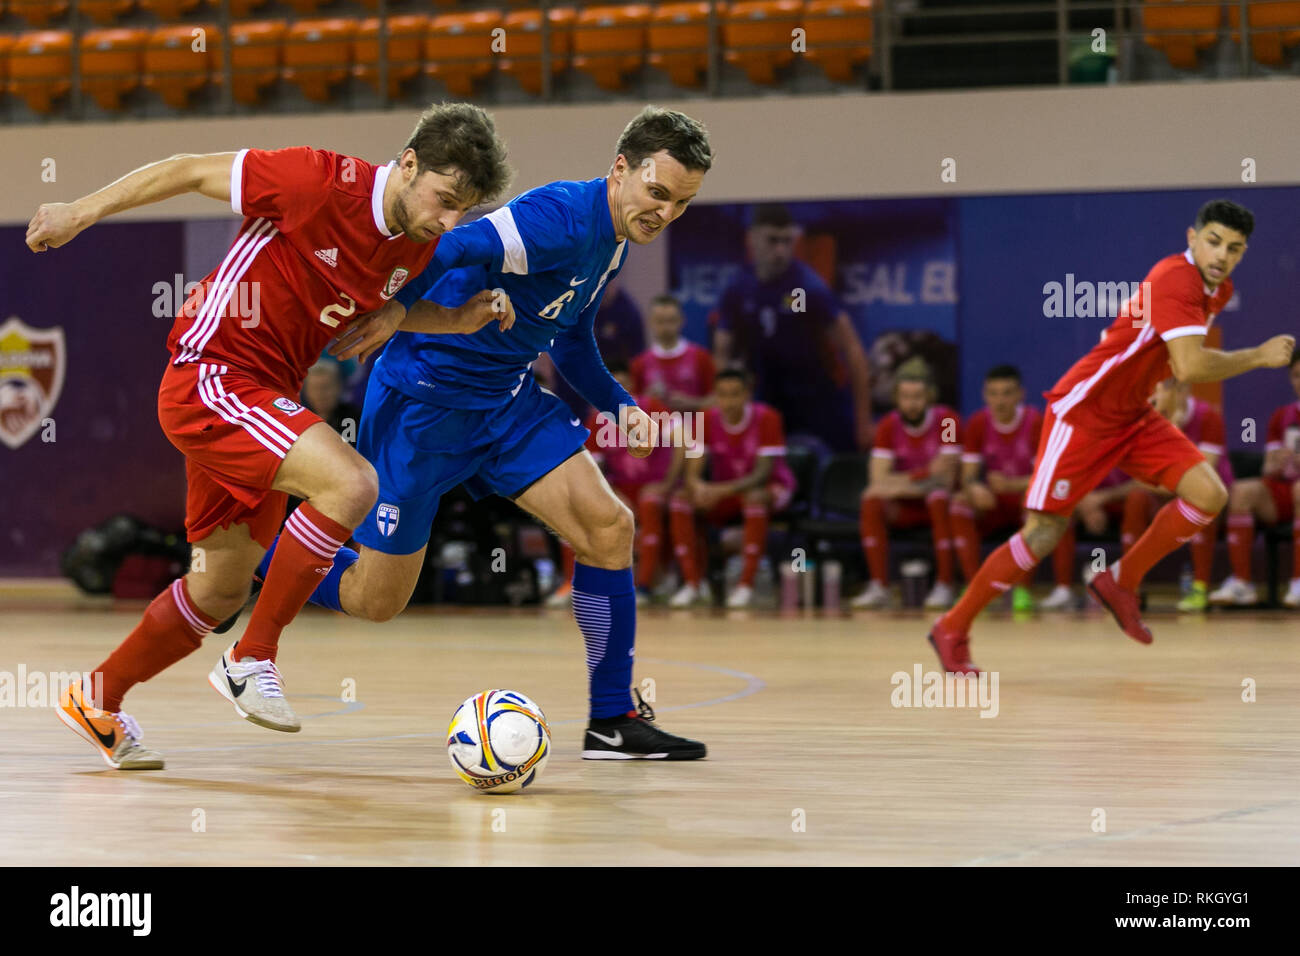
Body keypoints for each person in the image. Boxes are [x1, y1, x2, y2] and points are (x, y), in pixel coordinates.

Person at [30, 103, 512, 768]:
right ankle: (251, 657)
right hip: (211, 375)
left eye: (465, 211)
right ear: (407, 165)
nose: (450, 221)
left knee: (218, 590)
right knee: (352, 483)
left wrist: (450, 320)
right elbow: (184, 169)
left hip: (262, 402)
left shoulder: (417, 244)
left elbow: (376, 306)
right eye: (446, 199)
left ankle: (96, 696)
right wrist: (81, 210)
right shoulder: (315, 181)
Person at [253, 107, 714, 760]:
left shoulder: (611, 239)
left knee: (608, 529)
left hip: (506, 405)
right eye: (658, 193)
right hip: (422, 409)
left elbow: (570, 332)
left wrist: (616, 403)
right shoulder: (559, 217)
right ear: (620, 171)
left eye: (682, 204)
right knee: (376, 601)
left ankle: (612, 720)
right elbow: (452, 245)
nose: (664, 213)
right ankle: (257, 559)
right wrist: (398, 311)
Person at [929, 199, 1294, 674]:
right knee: (1043, 531)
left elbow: (1169, 352)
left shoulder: (1217, 289)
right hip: (1084, 414)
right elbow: (1191, 362)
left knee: (1209, 494)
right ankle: (953, 627)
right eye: (1213, 241)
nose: (1222, 255)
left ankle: (1120, 580)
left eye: (1235, 248)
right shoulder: (1174, 278)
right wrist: (1258, 356)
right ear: (1191, 237)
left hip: (1134, 415)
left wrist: (1165, 387)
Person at [712, 204, 873, 452]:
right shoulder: (738, 289)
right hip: (766, 398)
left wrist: (863, 420)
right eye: (773, 241)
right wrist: (726, 410)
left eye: (787, 242)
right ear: (752, 239)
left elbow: (852, 348)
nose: (781, 250)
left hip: (816, 401)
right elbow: (722, 353)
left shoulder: (807, 287)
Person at [548, 363, 682, 607]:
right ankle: (572, 583)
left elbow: (683, 444)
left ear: (632, 385)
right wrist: (610, 491)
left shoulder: (653, 407)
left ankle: (645, 586)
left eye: (624, 384)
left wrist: (667, 484)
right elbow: (592, 465)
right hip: (619, 487)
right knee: (572, 506)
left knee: (650, 503)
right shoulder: (598, 417)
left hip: (653, 487)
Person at [950, 364, 1076, 613]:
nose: (1000, 401)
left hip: (1024, 501)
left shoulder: (1036, 422)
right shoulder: (976, 423)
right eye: (994, 394)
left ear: (1020, 394)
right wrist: (975, 488)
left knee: (1050, 506)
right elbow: (967, 477)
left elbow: (1047, 477)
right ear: (985, 396)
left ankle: (1025, 589)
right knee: (958, 505)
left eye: (1007, 393)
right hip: (993, 505)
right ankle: (974, 587)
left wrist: (1011, 485)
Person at [668, 368, 796, 609]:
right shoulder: (705, 419)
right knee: (681, 499)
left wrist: (719, 491)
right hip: (727, 490)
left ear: (747, 394)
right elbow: (695, 465)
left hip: (771, 486)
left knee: (755, 497)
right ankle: (693, 584)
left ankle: (745, 586)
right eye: (723, 395)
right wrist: (697, 485)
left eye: (735, 394)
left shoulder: (768, 418)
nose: (729, 402)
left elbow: (763, 473)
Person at [853, 358, 961, 610]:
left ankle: (944, 585)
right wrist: (922, 476)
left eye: (918, 396)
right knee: (871, 501)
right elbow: (877, 480)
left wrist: (898, 482)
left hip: (938, 505)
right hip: (905, 507)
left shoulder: (948, 421)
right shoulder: (888, 426)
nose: (911, 404)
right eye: (905, 396)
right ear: (896, 397)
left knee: (938, 497)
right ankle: (879, 586)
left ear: (930, 396)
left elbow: (945, 478)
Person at [1124, 377, 1231, 611]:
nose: (1161, 396)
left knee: (1202, 500)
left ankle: (1200, 587)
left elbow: (1204, 476)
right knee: (1136, 499)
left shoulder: (1208, 417)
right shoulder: (1145, 420)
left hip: (1208, 494)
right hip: (1166, 490)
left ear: (1185, 390)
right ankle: (1128, 588)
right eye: (1157, 389)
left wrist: (1174, 429)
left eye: (1173, 389)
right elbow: (1139, 477)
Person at [1210, 354, 1300, 608]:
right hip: (1284, 493)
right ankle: (1242, 583)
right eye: (1296, 375)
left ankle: (1298, 583)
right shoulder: (1281, 416)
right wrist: (1277, 461)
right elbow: (1268, 468)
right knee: (1242, 490)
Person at [630, 294, 715, 412]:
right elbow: (630, 407)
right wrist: (648, 400)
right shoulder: (639, 364)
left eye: (671, 320)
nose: (666, 327)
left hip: (694, 428)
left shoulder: (701, 357)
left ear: (682, 320)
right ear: (650, 322)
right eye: (660, 321)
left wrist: (693, 403)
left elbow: (717, 400)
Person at [301, 357, 362, 437]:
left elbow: (348, 446)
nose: (321, 394)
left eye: (326, 387)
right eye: (315, 388)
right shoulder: (300, 420)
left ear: (338, 387)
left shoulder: (352, 418)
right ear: (306, 391)